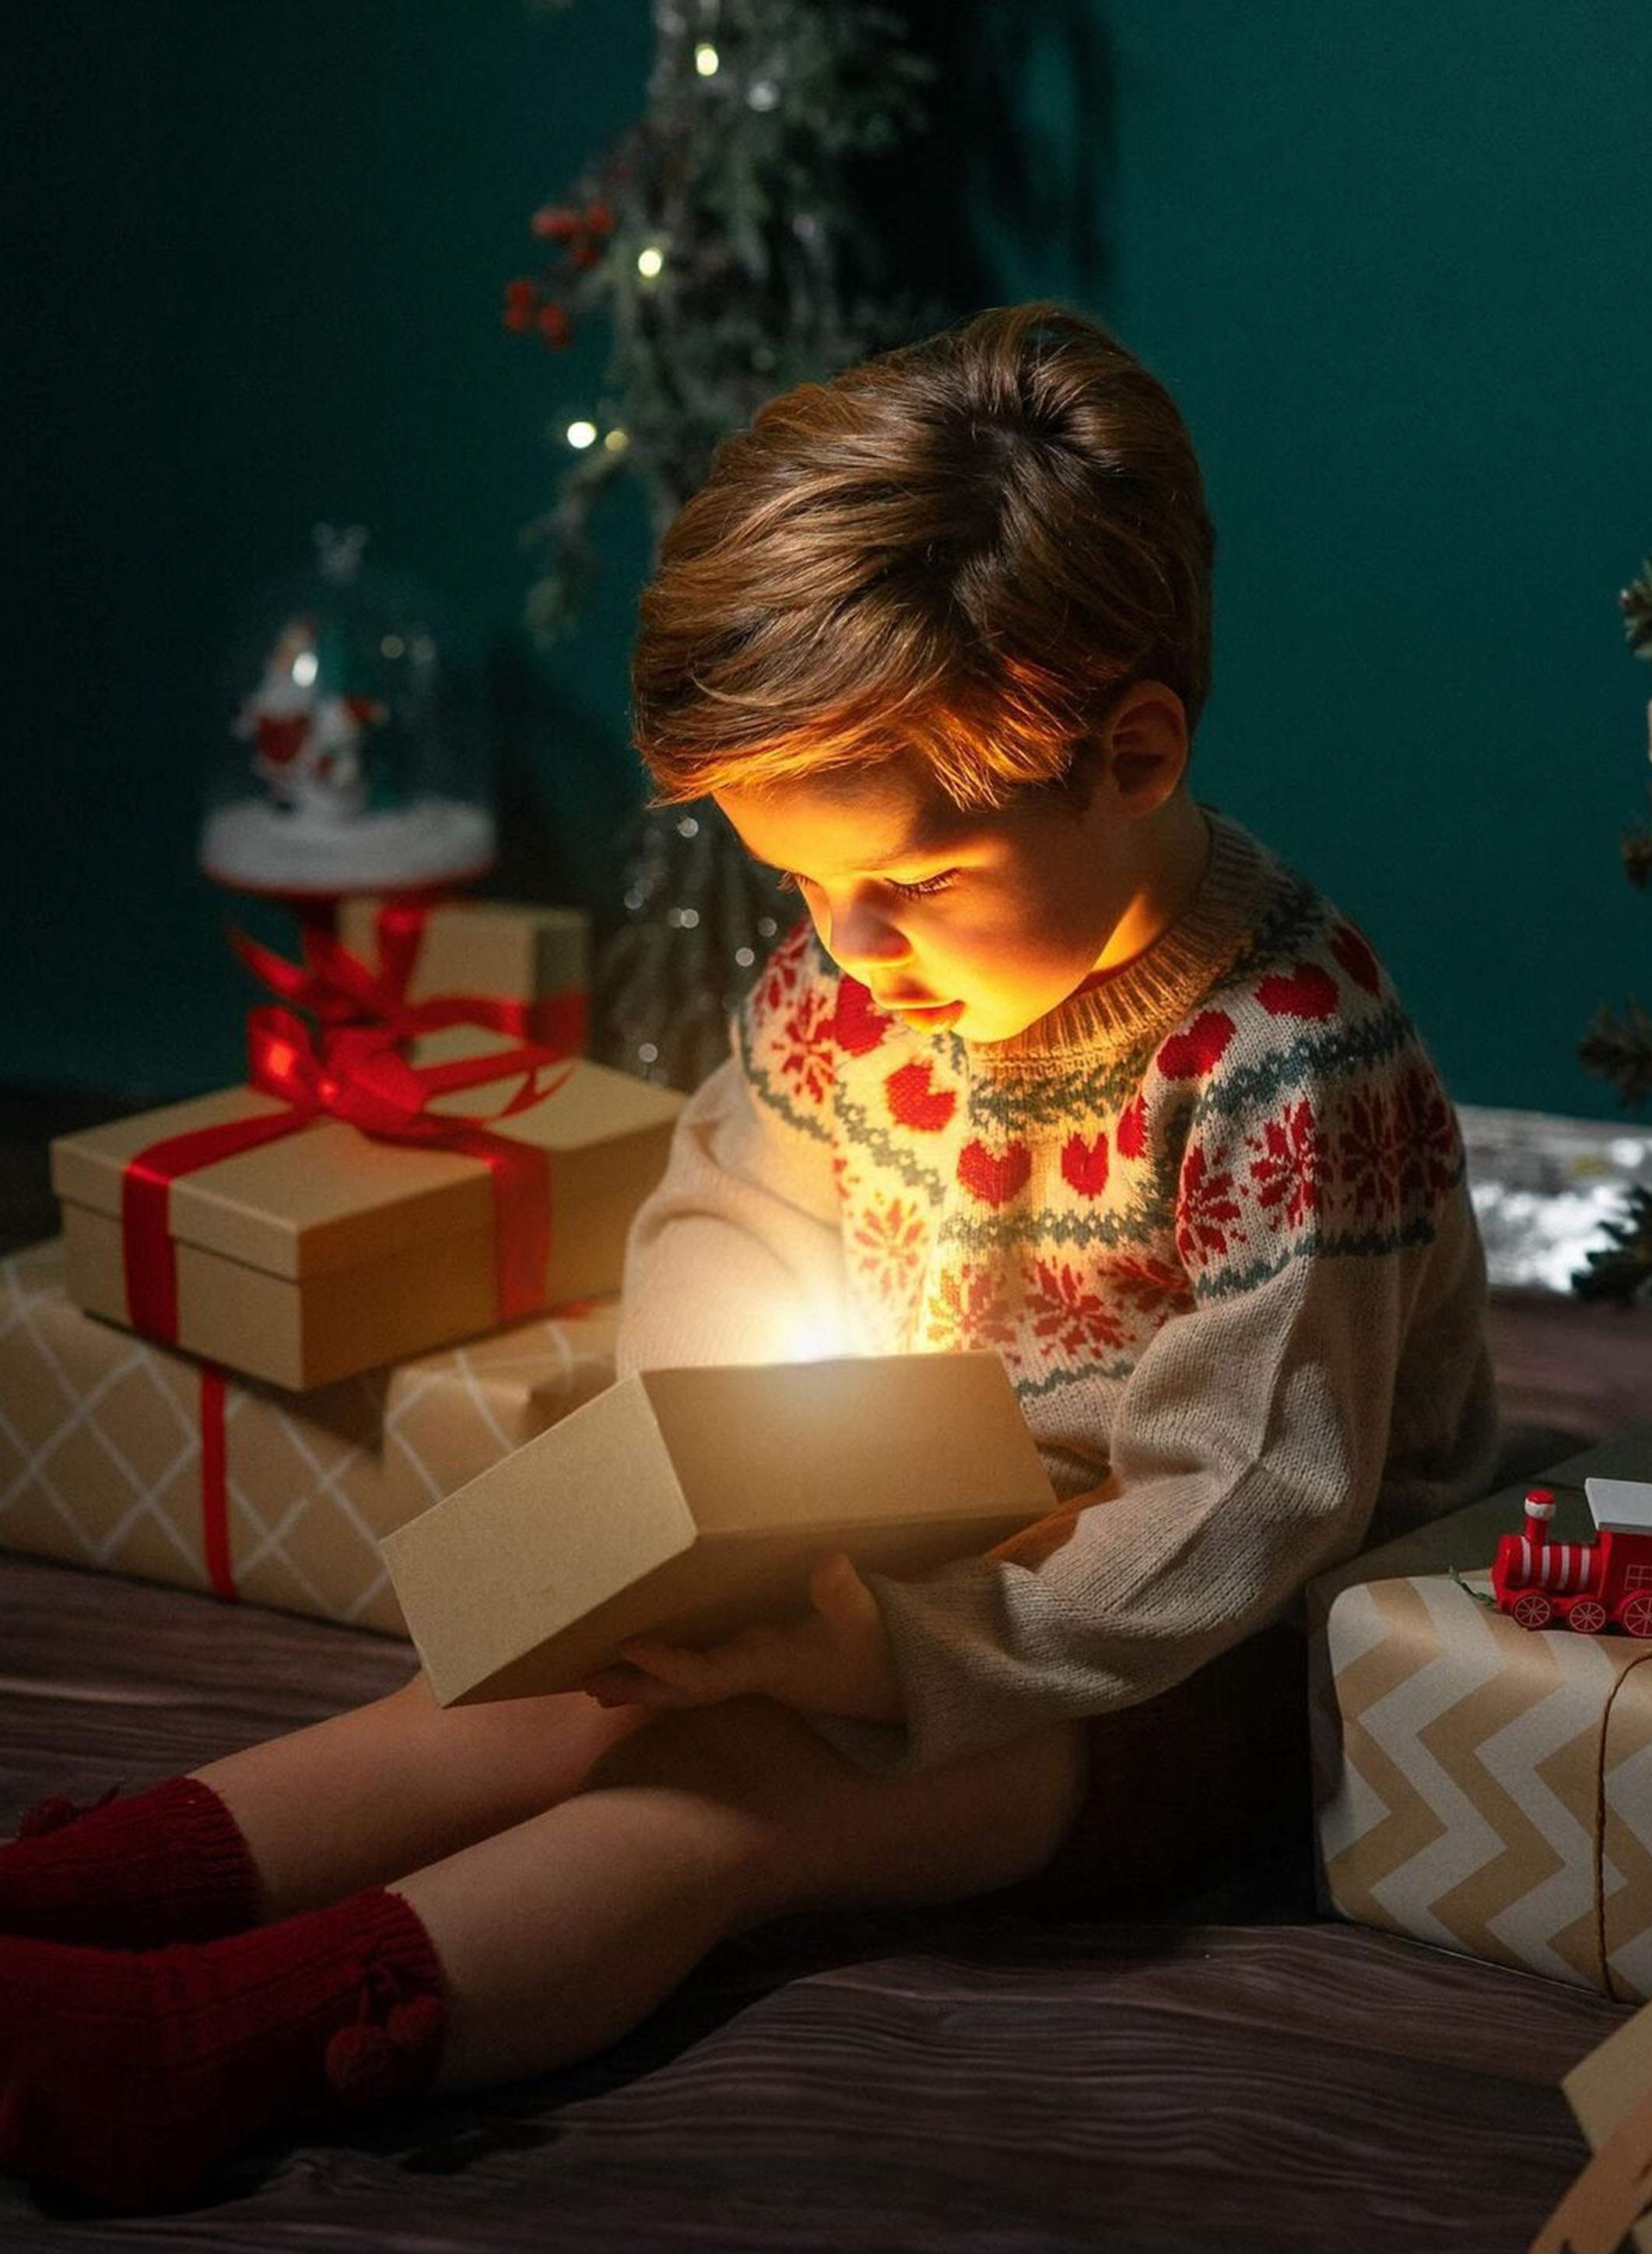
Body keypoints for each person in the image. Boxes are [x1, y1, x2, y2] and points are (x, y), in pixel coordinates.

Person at [0, 301, 1497, 2214]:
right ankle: (66, 1894)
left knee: (723, 1795)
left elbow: (1245, 1505)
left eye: (914, 881)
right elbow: (734, 1188)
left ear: (1130, 754)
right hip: (915, 1528)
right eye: (798, 880)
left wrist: (891, 1647)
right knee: (535, 1691)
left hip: (1176, 1660)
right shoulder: (862, 968)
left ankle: (222, 2038)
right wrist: (715, 1478)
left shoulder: (1290, 1060)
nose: (848, 942)